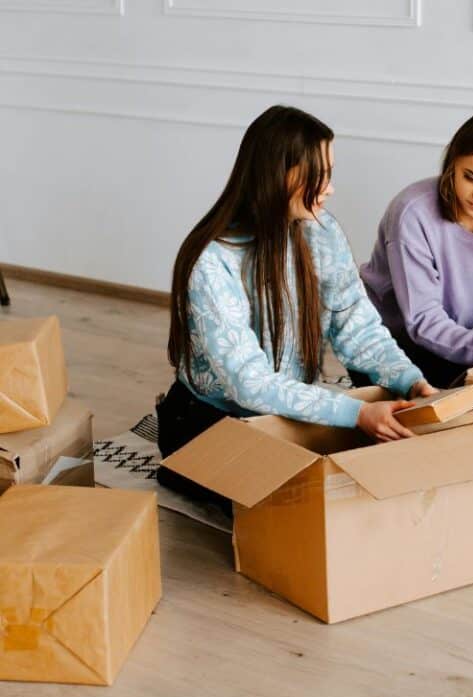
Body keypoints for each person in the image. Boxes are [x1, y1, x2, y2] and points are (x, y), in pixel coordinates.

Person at [156, 105, 435, 505]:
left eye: (330, 174)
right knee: (300, 504)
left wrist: (409, 380)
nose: (330, 188)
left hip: (280, 416)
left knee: (374, 478)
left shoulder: (321, 232)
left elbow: (357, 326)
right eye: (317, 176)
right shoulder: (211, 261)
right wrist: (355, 413)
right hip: (211, 421)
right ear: (276, 176)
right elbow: (248, 384)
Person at [359, 108, 473, 389]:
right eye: (471, 177)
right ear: (453, 161)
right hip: (384, 347)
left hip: (443, 344)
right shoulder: (413, 212)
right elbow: (422, 320)